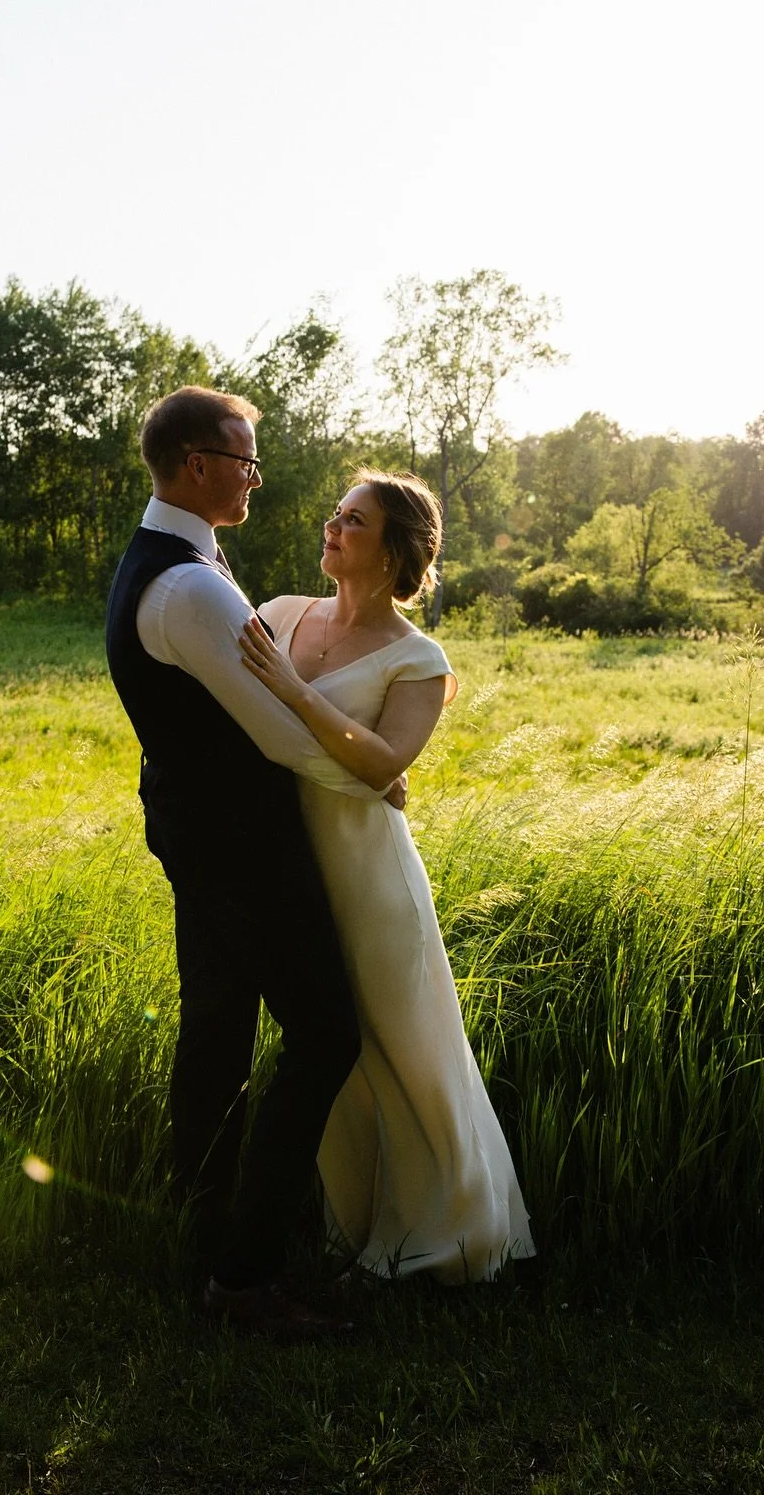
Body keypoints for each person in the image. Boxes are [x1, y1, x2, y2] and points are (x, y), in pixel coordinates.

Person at [105, 385, 396, 1341]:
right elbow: (275, 732)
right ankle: (245, 1276)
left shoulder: (173, 562)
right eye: (244, 462)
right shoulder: (189, 586)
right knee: (324, 1035)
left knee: (220, 1034)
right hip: (240, 848)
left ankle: (200, 1239)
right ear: (198, 466)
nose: (256, 479)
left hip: (199, 835)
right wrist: (372, 784)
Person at [240, 469, 535, 1282]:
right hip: (290, 867)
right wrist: (339, 751)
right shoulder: (277, 615)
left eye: (355, 521)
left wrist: (300, 696)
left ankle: (449, 1234)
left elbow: (384, 765)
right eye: (335, 515)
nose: (332, 528)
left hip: (371, 874)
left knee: (403, 1042)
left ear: (395, 548)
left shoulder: (419, 658)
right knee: (329, 1050)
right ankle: (356, 1225)